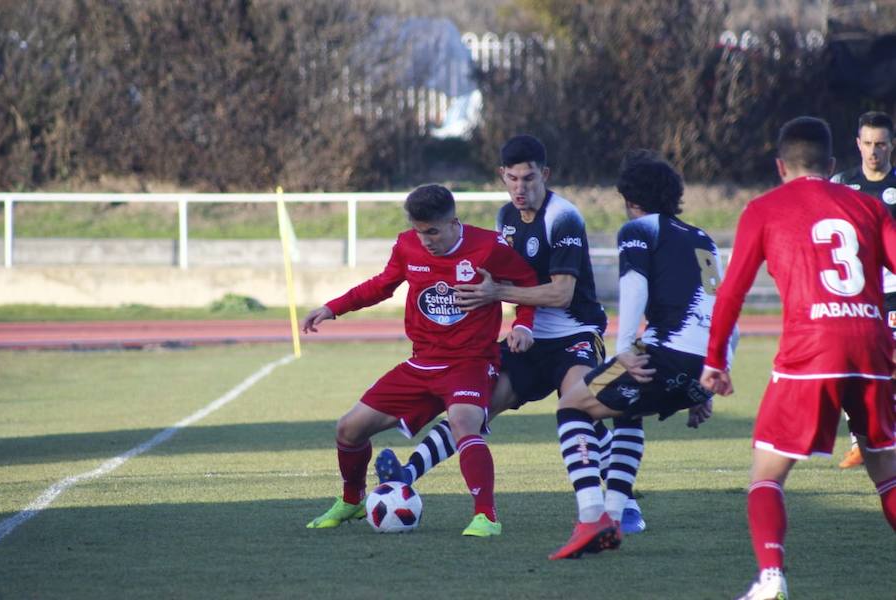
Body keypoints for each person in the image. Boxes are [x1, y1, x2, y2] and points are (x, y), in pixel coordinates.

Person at [373, 135, 649, 534]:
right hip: (530, 341)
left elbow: (561, 292)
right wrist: (516, 322)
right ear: (502, 176)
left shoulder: (563, 216)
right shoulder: (505, 218)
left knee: (582, 406)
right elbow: (500, 276)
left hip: (574, 335)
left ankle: (625, 506)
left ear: (545, 175)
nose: (521, 188)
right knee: (474, 410)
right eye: (513, 179)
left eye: (529, 179)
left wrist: (496, 293)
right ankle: (406, 475)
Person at [700, 116, 896, 600]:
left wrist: (715, 361)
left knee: (767, 474)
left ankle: (771, 578)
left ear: (780, 166)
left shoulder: (763, 208)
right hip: (873, 344)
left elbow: (730, 294)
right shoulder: (867, 206)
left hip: (812, 348)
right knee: (888, 474)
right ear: (832, 165)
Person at [302, 184, 539, 537]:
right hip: (422, 363)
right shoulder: (407, 244)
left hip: (470, 362)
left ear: (453, 222)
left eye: (433, 231)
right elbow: (382, 285)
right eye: (419, 230)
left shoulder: (489, 248)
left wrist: (522, 325)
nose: (426, 240)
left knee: (464, 422)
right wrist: (332, 307)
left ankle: (485, 516)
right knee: (348, 429)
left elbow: (528, 286)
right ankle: (352, 499)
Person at [547, 151, 732, 560]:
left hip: (663, 351)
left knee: (571, 406)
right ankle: (614, 517)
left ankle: (592, 514)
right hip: (703, 364)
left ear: (631, 200)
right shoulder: (703, 238)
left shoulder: (638, 229)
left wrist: (624, 349)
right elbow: (723, 306)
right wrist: (711, 382)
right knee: (626, 411)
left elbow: (634, 286)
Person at [830, 111, 896, 469]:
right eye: (868, 143)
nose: (874, 151)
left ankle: (885, 436)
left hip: (892, 293)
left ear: (892, 146)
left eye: (881, 144)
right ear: (858, 144)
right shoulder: (841, 184)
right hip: (853, 295)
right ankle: (861, 440)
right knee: (849, 367)